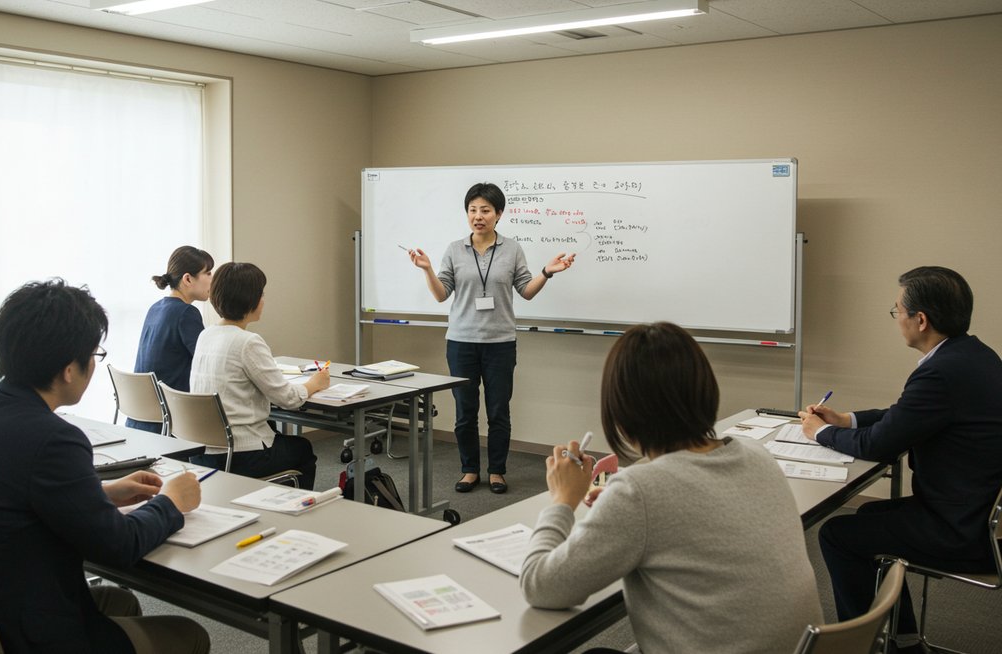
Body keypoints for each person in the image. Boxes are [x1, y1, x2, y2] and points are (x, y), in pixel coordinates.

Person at [0, 279, 209, 654]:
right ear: (69, 368)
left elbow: (12, 495)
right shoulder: (54, 438)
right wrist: (172, 502)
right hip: (15, 634)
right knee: (190, 636)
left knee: (120, 605)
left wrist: (102, 492)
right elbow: (118, 547)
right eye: (94, 354)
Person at [521, 322, 821, 654]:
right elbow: (693, 505)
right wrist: (626, 504)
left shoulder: (640, 492)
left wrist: (562, 500)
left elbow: (541, 586)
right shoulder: (755, 452)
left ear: (622, 412)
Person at [800, 266, 1002, 653]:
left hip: (961, 529)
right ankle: (902, 639)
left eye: (898, 312)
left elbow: (879, 445)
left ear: (920, 319)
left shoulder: (941, 373)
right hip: (974, 511)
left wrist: (819, 433)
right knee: (865, 518)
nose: (898, 321)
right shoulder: (973, 356)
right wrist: (847, 420)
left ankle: (865, 646)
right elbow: (904, 415)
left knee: (836, 536)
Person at [408, 182, 575, 494]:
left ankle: (497, 471)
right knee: (464, 412)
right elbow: (442, 294)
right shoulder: (455, 250)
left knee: (499, 411)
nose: (478, 216)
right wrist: (427, 269)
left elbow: (526, 290)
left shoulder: (511, 249)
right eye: (472, 210)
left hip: (499, 343)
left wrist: (547, 272)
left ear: (499, 214)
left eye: (485, 210)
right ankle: (469, 470)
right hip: (461, 342)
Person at [189, 262, 328, 490]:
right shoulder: (248, 342)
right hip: (241, 454)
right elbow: (288, 399)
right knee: (302, 449)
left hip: (203, 452)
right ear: (250, 299)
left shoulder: (206, 334)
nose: (263, 300)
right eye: (261, 294)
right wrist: (315, 384)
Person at [129, 245, 215, 433]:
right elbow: (209, 366)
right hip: (170, 423)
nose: (212, 279)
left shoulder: (155, 308)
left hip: (141, 420)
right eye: (208, 273)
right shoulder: (186, 313)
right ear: (187, 279)